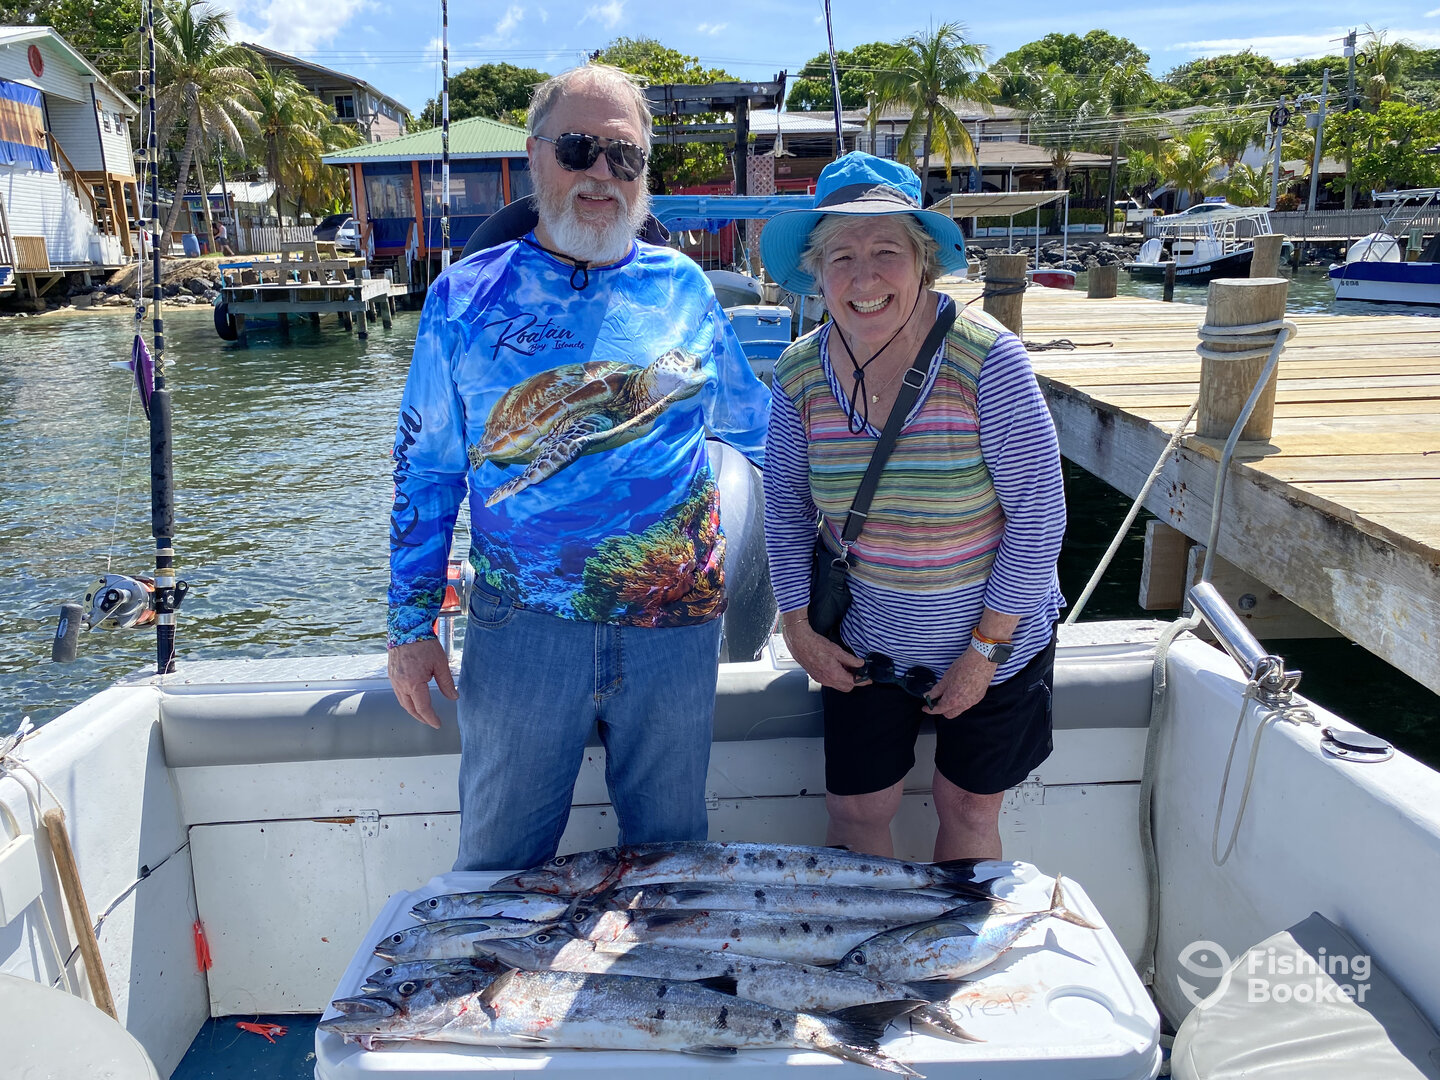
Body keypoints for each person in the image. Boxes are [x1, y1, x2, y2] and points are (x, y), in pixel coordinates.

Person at [386, 64, 770, 873]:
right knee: (498, 862)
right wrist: (410, 626)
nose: (601, 172)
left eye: (623, 156)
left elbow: (758, 433)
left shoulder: (686, 288)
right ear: (535, 155)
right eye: (577, 149)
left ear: (643, 172)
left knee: (670, 866)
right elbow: (427, 471)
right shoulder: (463, 297)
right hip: (524, 627)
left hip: (675, 628)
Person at [759, 153, 1066, 862]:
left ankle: (959, 938)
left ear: (924, 262)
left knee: (968, 810)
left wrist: (983, 653)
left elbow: (1039, 516)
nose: (864, 278)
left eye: (886, 252)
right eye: (842, 256)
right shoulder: (798, 371)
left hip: (999, 645)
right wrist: (798, 627)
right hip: (866, 644)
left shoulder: (989, 359)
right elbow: (784, 507)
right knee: (855, 813)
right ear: (816, 271)